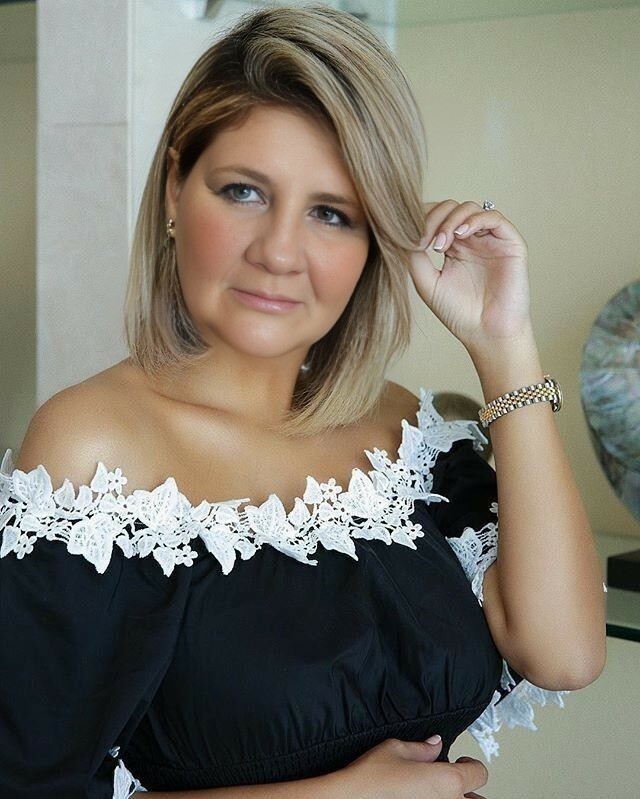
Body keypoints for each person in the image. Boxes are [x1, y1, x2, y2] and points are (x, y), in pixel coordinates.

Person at [0, 5, 607, 798]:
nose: (280, 251)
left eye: (331, 213)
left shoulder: (405, 433)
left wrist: (503, 345)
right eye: (244, 191)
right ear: (177, 188)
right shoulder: (93, 449)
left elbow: (565, 654)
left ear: (371, 240)